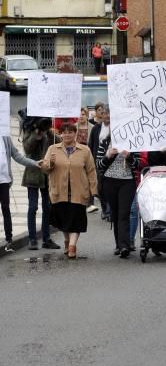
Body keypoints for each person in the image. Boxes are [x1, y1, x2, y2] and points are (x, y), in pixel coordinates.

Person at [41, 122, 98, 259]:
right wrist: (50, 163)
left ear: (75, 133)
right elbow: (45, 169)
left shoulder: (85, 150)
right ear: (60, 134)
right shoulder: (53, 149)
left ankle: (72, 246)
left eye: (70, 132)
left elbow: (91, 170)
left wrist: (93, 189)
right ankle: (67, 241)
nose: (67, 134)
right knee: (64, 221)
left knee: (76, 221)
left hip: (79, 191)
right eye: (64, 132)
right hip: (59, 191)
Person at [97, 135, 143, 258]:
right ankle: (119, 244)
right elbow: (99, 164)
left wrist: (129, 157)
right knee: (115, 213)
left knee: (124, 213)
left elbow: (138, 164)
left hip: (127, 182)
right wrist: (108, 156)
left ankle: (124, 246)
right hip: (109, 182)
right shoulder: (105, 142)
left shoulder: (133, 140)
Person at [21, 118, 60, 250]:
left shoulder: (48, 133)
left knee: (47, 207)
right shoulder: (29, 130)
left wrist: (48, 132)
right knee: (32, 207)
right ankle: (32, 240)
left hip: (46, 174)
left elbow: (58, 142)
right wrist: (36, 134)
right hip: (33, 174)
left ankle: (46, 239)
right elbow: (27, 149)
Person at [1, 134, 41, 253]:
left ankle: (9, 240)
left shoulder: (5, 138)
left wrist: (34, 163)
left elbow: (17, 156)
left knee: (5, 208)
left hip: (4, 180)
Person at [88, 104, 111, 219]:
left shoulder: (115, 127)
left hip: (112, 161)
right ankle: (105, 209)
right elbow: (91, 145)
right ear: (101, 115)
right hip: (99, 160)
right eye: (105, 113)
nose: (107, 116)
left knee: (109, 186)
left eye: (109, 114)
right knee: (100, 187)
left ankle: (110, 210)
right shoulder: (96, 128)